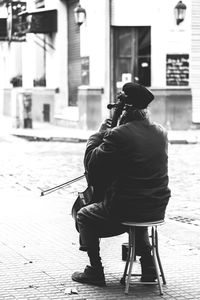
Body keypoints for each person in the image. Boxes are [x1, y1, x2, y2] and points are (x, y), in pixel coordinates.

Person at [72, 82, 171, 286]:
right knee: (137, 211)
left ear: (125, 109)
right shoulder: (161, 132)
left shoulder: (117, 134)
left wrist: (100, 132)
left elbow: (92, 163)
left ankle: (95, 271)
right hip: (157, 207)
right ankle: (149, 267)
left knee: (83, 215)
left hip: (126, 208)